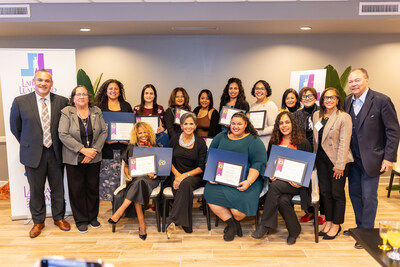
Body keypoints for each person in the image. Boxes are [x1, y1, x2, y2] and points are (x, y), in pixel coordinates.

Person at [343, 68, 400, 249]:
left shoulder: (382, 100)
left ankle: (367, 233)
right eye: (351, 81)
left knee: (369, 196)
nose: (353, 84)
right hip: (352, 160)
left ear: (367, 80)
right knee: (355, 194)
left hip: (373, 159)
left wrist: (389, 158)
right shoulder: (346, 102)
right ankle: (361, 227)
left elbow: (393, 131)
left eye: (357, 80)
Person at [10, 69, 70, 238]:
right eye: (40, 80)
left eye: (47, 81)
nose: (43, 83)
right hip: (33, 153)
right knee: (36, 190)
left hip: (56, 152)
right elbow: (16, 128)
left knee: (57, 189)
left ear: (52, 83)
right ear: (34, 81)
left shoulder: (62, 102)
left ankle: (59, 218)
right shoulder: (20, 101)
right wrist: (31, 143)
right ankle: (38, 222)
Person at [204, 112, 268, 242]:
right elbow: (210, 157)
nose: (236, 126)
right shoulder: (220, 137)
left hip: (248, 179)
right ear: (229, 124)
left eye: (239, 124)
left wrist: (248, 182)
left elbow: (258, 163)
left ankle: (234, 220)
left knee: (238, 213)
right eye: (233, 123)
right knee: (209, 193)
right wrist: (210, 174)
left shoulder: (254, 140)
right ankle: (233, 225)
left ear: (246, 124)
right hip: (221, 179)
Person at [252, 111, 312, 245]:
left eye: (287, 122)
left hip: (297, 184)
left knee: (275, 187)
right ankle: (294, 230)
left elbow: (309, 166)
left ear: (293, 124)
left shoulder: (303, 143)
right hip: (279, 182)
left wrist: (300, 183)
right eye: (281, 123)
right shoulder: (274, 142)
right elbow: (268, 162)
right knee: (282, 200)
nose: (284, 125)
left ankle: (265, 225)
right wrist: (271, 173)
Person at [58, 85, 107, 233]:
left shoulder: (96, 111)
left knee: (92, 188)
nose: (81, 97)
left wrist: (93, 151)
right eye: (78, 94)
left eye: (84, 94)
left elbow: (104, 131)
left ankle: (93, 218)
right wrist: (83, 150)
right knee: (77, 189)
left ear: (88, 97)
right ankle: (81, 220)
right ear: (73, 98)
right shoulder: (67, 112)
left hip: (94, 156)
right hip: (74, 157)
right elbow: (63, 134)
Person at [108, 122, 160, 240]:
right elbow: (126, 167)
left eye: (145, 132)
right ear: (136, 135)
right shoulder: (131, 148)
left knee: (140, 183)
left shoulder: (155, 146)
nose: (143, 135)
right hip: (135, 179)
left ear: (149, 133)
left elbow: (161, 167)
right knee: (139, 183)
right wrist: (127, 176)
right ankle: (142, 225)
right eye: (140, 133)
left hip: (150, 180)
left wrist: (154, 175)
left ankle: (120, 211)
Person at [313, 88, 353, 240]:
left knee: (336, 193)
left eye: (332, 97)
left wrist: (340, 165)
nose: (328, 100)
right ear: (322, 100)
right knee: (325, 193)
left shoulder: (344, 117)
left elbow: (345, 142)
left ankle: (336, 223)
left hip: (337, 161)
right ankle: (328, 221)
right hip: (321, 160)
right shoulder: (317, 115)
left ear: (337, 99)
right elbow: (316, 140)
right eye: (326, 97)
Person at [165, 113, 207, 237]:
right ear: (182, 126)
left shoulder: (200, 143)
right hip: (176, 174)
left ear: (195, 126)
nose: (188, 126)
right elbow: (168, 160)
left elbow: (201, 167)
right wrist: (178, 175)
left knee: (186, 183)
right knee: (184, 186)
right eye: (186, 124)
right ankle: (185, 223)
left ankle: (172, 220)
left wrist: (184, 176)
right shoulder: (174, 139)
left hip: (194, 176)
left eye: (191, 124)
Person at [95, 79, 133, 201]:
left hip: (124, 149)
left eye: (116, 89)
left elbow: (132, 126)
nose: (113, 91)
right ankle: (112, 207)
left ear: (120, 91)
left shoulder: (126, 106)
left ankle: (123, 207)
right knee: (108, 182)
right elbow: (95, 127)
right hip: (107, 149)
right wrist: (104, 140)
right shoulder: (99, 106)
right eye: (110, 88)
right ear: (106, 91)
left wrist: (129, 140)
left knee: (123, 180)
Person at [294, 87, 324, 225]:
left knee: (320, 183)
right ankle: (309, 212)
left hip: (320, 152)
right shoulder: (296, 115)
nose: (307, 98)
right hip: (303, 151)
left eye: (310, 95)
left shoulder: (323, 112)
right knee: (306, 182)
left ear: (315, 97)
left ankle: (322, 213)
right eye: (304, 96)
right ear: (300, 99)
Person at [249, 80, 279, 148]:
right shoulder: (253, 105)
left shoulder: (271, 105)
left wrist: (259, 132)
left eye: (262, 89)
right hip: (252, 141)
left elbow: (274, 127)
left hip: (264, 143)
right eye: (257, 88)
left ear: (266, 92)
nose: (259, 91)